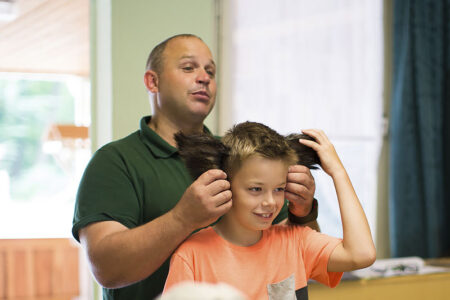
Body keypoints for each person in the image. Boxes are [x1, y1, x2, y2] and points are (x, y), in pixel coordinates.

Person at [72, 34, 319, 299]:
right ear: (152, 81)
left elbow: (299, 256)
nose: (204, 77)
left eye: (210, 71)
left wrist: (303, 212)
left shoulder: (239, 156)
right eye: (189, 68)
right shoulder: (115, 161)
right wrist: (182, 218)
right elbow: (106, 269)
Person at [163, 122, 376, 299]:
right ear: (224, 183)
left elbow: (362, 254)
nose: (270, 202)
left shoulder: (296, 242)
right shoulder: (190, 256)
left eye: (279, 189)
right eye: (256, 189)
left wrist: (338, 172)